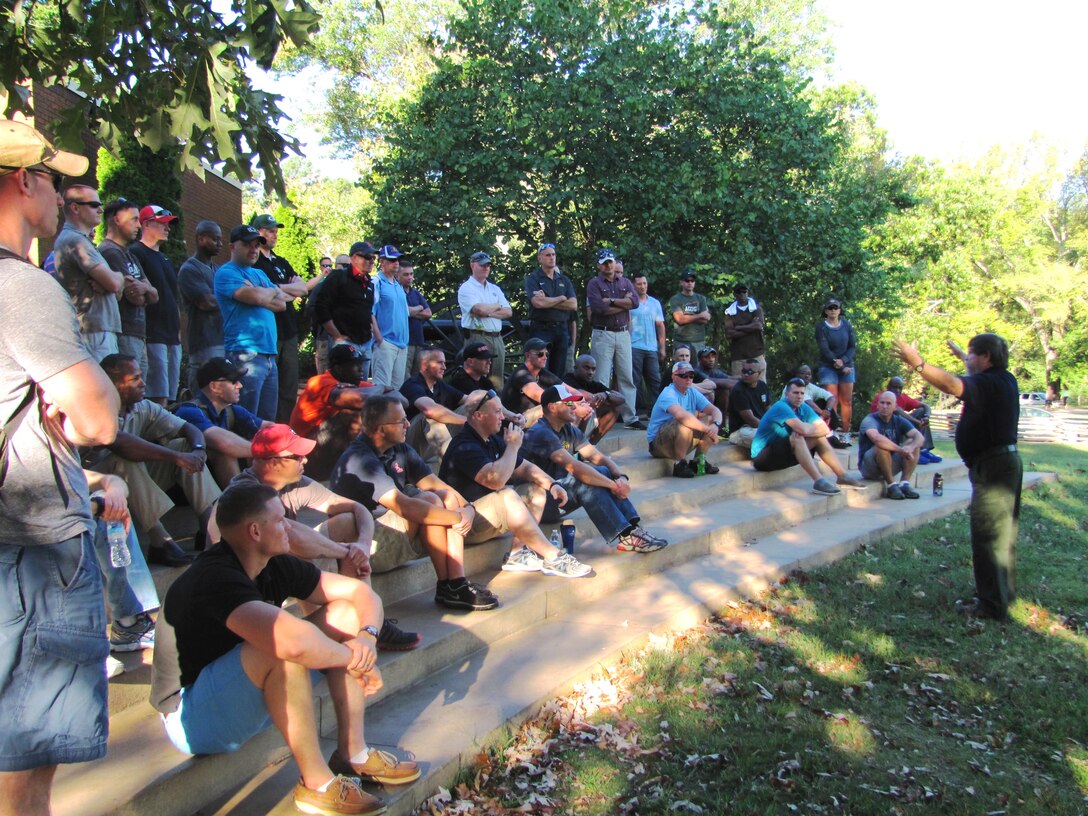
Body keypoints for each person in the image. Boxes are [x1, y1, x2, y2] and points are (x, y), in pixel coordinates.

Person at [150, 483, 419, 816]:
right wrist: (356, 659)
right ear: (255, 531)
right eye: (281, 521)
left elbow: (363, 597)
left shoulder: (273, 562)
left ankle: (354, 753)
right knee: (279, 647)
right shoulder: (215, 576)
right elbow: (289, 641)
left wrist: (365, 638)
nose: (291, 527)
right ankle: (317, 786)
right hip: (191, 716)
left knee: (346, 616)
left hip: (246, 690)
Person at [0, 120, 121, 816]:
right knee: (24, 768)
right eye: (51, 178)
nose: (63, 194)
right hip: (35, 550)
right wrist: (80, 394)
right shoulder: (23, 286)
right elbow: (97, 419)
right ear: (24, 182)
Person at [892, 334, 1022, 620]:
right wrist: (963, 355)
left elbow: (953, 385)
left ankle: (991, 606)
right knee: (1001, 534)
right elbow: (969, 368)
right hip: (1000, 463)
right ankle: (1002, 594)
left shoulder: (988, 383)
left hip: (994, 467)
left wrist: (919, 365)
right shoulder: (1004, 379)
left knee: (988, 535)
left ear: (986, 357)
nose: (968, 359)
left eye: (973, 354)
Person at [331, 395, 499, 612]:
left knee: (443, 497)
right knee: (428, 501)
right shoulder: (361, 459)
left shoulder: (398, 448)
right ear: (381, 429)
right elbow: (405, 507)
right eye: (401, 421)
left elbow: (436, 483)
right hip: (368, 543)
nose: (408, 424)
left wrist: (467, 507)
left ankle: (455, 583)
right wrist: (458, 517)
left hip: (395, 528)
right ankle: (450, 586)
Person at [86, 354, 221, 565]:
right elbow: (121, 443)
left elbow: (188, 428)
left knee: (184, 446)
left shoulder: (142, 407)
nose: (143, 383)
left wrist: (197, 450)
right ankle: (160, 540)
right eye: (135, 379)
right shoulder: (95, 410)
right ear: (112, 384)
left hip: (133, 485)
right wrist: (176, 457)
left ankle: (209, 528)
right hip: (95, 486)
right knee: (124, 461)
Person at [439, 391, 592, 578]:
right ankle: (554, 557)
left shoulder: (492, 439)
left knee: (535, 489)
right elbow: (496, 480)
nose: (503, 417)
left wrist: (552, 485)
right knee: (507, 495)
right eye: (497, 412)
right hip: (465, 524)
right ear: (478, 415)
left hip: (487, 518)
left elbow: (526, 468)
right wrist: (512, 446)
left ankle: (517, 553)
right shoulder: (464, 446)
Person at [206, 425, 378, 590]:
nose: (305, 459)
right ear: (274, 462)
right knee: (297, 558)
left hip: (274, 560)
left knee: (348, 522)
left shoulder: (295, 482)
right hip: (237, 576)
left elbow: (357, 508)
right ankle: (332, 614)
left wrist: (362, 545)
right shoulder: (247, 492)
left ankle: (364, 612)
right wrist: (346, 551)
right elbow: (293, 536)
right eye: (297, 456)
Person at [521, 385, 668, 553]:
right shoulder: (541, 433)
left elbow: (598, 457)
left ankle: (633, 529)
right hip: (537, 503)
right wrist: (614, 486)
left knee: (604, 472)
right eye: (568, 403)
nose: (574, 406)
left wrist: (620, 476)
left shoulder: (567, 428)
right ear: (552, 407)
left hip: (559, 495)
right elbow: (576, 468)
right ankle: (626, 535)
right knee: (584, 480)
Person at [214, 224, 289, 421]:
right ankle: (243, 452)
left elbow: (282, 303)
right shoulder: (226, 273)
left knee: (266, 422)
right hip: (244, 354)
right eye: (248, 244)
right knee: (246, 419)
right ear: (232, 247)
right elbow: (259, 297)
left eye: (257, 245)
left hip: (269, 356)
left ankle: (260, 453)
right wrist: (266, 293)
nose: (254, 249)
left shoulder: (259, 274)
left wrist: (264, 293)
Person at [85, 471, 159, 657]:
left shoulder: (54, 454)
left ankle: (130, 623)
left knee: (109, 502)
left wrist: (113, 494)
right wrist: (98, 507)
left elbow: (104, 479)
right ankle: (90, 644)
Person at [750, 377, 866, 495]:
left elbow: (825, 429)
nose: (799, 396)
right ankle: (818, 481)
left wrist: (807, 429)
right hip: (762, 458)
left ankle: (842, 476)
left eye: (802, 393)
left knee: (818, 438)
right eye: (795, 393)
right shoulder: (781, 407)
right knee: (798, 437)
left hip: (784, 455)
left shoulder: (803, 407)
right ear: (786, 394)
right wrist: (807, 428)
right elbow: (803, 430)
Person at [173, 357, 272, 487]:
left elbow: (270, 428)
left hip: (207, 483)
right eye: (234, 381)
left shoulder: (232, 410)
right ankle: (242, 501)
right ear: (215, 386)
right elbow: (225, 443)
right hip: (179, 487)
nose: (240, 385)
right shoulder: (190, 411)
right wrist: (268, 451)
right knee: (226, 452)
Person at [51, 183, 123, 361]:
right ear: (75, 208)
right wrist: (118, 279)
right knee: (103, 388)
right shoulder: (75, 241)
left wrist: (115, 282)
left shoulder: (83, 241)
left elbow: (118, 291)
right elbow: (115, 284)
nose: (100, 210)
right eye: (94, 205)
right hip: (93, 332)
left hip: (100, 330)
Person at [253, 214, 309, 423]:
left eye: (275, 230)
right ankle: (266, 429)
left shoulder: (281, 262)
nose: (274, 234)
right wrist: (285, 290)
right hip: (268, 332)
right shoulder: (254, 262)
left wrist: (276, 288)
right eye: (269, 230)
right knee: (268, 386)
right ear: (258, 231)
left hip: (289, 330)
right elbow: (262, 292)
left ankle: (285, 429)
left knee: (289, 386)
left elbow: (302, 288)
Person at [401, 347, 490, 467]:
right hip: (408, 446)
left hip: (430, 446)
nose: (444, 367)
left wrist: (512, 416)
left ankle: (485, 456)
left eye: (444, 362)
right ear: (424, 364)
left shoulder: (439, 385)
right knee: (430, 417)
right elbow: (430, 410)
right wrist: (469, 421)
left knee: (470, 407)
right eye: (439, 362)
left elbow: (473, 400)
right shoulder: (413, 384)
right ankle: (455, 466)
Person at [99, 197, 158, 377]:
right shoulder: (110, 252)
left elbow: (154, 295)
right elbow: (135, 297)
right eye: (134, 219)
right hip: (124, 332)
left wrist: (145, 289)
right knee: (128, 391)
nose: (139, 226)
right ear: (117, 220)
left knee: (140, 393)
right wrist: (145, 291)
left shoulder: (129, 255)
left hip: (138, 334)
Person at [131, 205, 183, 404]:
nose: (168, 229)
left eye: (169, 225)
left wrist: (177, 329)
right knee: (155, 393)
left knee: (170, 394)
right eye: (162, 224)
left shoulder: (165, 258)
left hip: (171, 336)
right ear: (146, 223)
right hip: (152, 335)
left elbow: (172, 296)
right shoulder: (136, 253)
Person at [586, 249, 642, 430]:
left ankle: (630, 417)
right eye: (604, 262)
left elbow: (635, 303)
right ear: (599, 265)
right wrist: (621, 303)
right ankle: (600, 417)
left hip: (623, 333)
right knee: (601, 377)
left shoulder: (625, 282)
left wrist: (609, 300)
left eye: (610, 262)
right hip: (603, 333)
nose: (608, 265)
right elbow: (598, 308)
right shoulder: (594, 284)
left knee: (627, 376)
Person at [312, 241, 379, 378]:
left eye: (373, 258)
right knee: (344, 388)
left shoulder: (369, 283)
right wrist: (336, 335)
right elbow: (321, 307)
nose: (371, 261)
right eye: (367, 257)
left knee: (362, 389)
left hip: (365, 342)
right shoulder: (338, 277)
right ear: (354, 258)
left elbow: (367, 311)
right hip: (345, 342)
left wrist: (372, 331)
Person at [647, 361, 723, 478]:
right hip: (658, 445)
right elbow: (681, 416)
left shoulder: (692, 392)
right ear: (674, 377)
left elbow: (715, 411)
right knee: (684, 422)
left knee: (710, 418)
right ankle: (679, 464)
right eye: (683, 376)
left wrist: (715, 425)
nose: (688, 379)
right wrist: (708, 430)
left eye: (691, 376)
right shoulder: (668, 393)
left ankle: (698, 461)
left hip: (680, 439)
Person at [177, 220, 224, 395]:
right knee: (205, 397)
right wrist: (230, 296)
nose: (219, 244)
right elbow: (206, 302)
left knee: (221, 397)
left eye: (220, 239)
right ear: (200, 238)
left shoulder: (218, 270)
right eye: (215, 239)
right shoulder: (189, 269)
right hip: (204, 343)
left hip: (223, 340)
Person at [458, 251, 512, 389]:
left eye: (488, 265)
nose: (486, 268)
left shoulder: (495, 289)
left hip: (497, 337)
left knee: (497, 382)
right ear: (472, 265)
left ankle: (497, 407)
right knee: (477, 379)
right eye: (482, 265)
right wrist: (497, 306)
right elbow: (479, 310)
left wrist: (488, 311)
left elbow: (508, 312)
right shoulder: (466, 288)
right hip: (477, 336)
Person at [858, 391, 924, 499]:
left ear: (895, 407)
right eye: (882, 403)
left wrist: (910, 447)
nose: (884, 406)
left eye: (888, 404)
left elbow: (919, 437)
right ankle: (892, 485)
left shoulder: (899, 420)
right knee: (882, 447)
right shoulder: (869, 420)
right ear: (877, 405)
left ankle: (904, 484)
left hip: (889, 463)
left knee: (913, 443)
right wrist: (900, 450)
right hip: (869, 467)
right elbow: (877, 438)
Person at [525, 243, 577, 375]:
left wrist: (548, 300)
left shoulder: (564, 279)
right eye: (548, 255)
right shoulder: (533, 278)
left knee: (558, 372)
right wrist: (561, 298)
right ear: (540, 258)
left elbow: (573, 305)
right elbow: (537, 303)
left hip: (561, 329)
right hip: (541, 329)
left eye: (553, 254)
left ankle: (556, 396)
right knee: (541, 370)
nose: (552, 257)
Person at [815, 297, 857, 444]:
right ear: (825, 311)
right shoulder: (821, 327)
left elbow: (852, 346)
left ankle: (846, 433)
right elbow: (824, 348)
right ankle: (830, 432)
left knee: (847, 401)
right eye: (830, 308)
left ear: (840, 310)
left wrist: (844, 361)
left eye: (836, 308)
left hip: (847, 365)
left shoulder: (846, 325)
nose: (833, 310)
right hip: (828, 366)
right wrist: (837, 363)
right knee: (832, 400)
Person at [869, 376, 939, 461]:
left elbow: (926, 406)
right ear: (888, 387)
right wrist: (916, 421)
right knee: (901, 417)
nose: (898, 390)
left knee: (921, 411)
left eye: (900, 388)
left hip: (899, 426)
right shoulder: (882, 397)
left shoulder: (903, 397)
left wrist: (926, 417)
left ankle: (923, 450)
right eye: (895, 387)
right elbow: (896, 411)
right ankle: (912, 452)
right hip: (884, 430)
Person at [780, 363, 847, 449]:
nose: (807, 376)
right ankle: (825, 435)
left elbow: (831, 397)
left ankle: (829, 433)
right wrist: (822, 413)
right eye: (804, 373)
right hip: (791, 418)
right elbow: (807, 402)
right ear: (797, 374)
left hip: (804, 417)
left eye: (809, 374)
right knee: (813, 407)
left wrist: (827, 410)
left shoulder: (811, 387)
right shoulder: (792, 386)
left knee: (824, 402)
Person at [371, 245, 410, 389]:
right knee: (381, 390)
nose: (396, 263)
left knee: (397, 390)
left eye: (398, 259)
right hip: (386, 342)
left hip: (402, 343)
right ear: (382, 261)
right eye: (392, 259)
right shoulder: (377, 282)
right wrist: (379, 339)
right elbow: (370, 312)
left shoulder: (398, 285)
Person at [562, 354, 624, 444]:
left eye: (593, 369)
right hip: (567, 423)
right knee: (585, 406)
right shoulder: (568, 380)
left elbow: (621, 399)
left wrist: (605, 394)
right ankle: (577, 446)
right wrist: (599, 398)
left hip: (586, 420)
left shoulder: (593, 384)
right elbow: (586, 397)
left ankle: (591, 446)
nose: (590, 372)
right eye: (586, 368)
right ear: (575, 368)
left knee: (615, 407)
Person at [630, 271, 666, 418]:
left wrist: (662, 347)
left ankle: (656, 410)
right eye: (639, 284)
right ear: (633, 285)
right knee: (635, 381)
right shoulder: (630, 302)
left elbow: (660, 325)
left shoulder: (655, 303)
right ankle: (639, 411)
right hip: (634, 346)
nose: (643, 286)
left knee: (655, 380)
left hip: (651, 347)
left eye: (644, 283)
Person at [722, 283, 766, 376]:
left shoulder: (757, 308)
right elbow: (729, 334)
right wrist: (751, 327)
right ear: (734, 294)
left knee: (761, 386)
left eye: (744, 291)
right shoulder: (730, 312)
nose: (742, 294)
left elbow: (758, 326)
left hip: (757, 354)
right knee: (737, 386)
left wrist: (738, 327)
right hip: (738, 357)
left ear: (747, 292)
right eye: (739, 292)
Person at [726, 358, 769, 449]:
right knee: (766, 437)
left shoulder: (762, 386)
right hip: (741, 430)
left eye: (750, 372)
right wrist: (769, 428)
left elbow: (768, 409)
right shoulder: (738, 390)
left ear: (759, 373)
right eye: (743, 371)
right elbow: (750, 419)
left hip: (759, 427)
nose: (745, 374)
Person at [400, 259, 432, 377]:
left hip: (419, 340)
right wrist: (418, 308)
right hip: (405, 342)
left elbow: (428, 313)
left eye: (411, 274)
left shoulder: (415, 293)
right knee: (404, 376)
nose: (410, 277)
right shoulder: (397, 292)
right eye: (406, 274)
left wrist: (412, 311)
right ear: (398, 275)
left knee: (418, 376)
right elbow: (402, 312)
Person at [668, 268, 711, 352]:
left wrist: (687, 317)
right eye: (687, 280)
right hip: (681, 341)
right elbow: (680, 319)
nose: (690, 283)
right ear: (681, 282)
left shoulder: (701, 298)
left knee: (698, 365)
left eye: (692, 280)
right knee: (681, 365)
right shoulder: (676, 299)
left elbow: (705, 320)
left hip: (698, 341)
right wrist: (700, 315)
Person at [695, 346, 737, 421]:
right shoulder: (697, 371)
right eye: (707, 357)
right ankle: (720, 424)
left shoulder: (714, 371)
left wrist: (747, 377)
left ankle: (722, 426)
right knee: (725, 391)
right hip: (699, 403)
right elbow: (722, 383)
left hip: (711, 400)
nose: (711, 360)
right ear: (700, 359)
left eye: (713, 357)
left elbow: (730, 378)